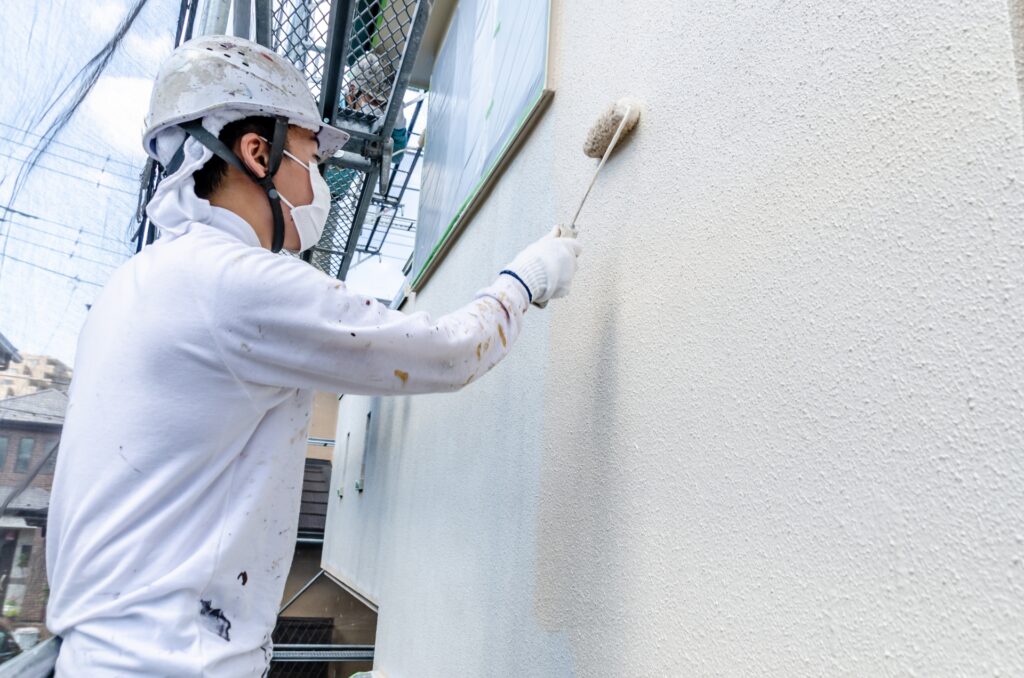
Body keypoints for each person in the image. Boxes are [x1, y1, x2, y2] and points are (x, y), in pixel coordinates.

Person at [44, 35, 581, 676]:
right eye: (312, 157)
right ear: (258, 153)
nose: (319, 181)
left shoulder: (139, 282)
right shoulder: (235, 283)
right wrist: (526, 280)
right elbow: (449, 353)